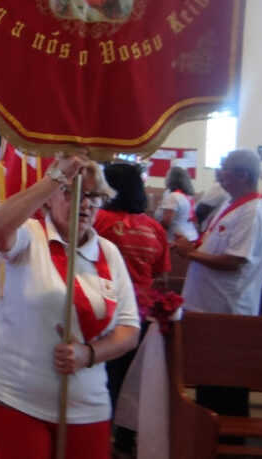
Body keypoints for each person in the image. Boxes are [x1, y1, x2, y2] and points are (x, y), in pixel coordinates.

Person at [0, 156, 140, 459]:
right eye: (72, 191)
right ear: (51, 197)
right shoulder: (29, 235)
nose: (85, 203)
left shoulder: (109, 253)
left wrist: (89, 354)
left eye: (94, 195)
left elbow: (129, 328)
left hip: (88, 405)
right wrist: (58, 175)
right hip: (19, 398)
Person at [175, 148, 262, 419]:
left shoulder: (253, 211)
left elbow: (235, 261)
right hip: (209, 307)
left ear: (242, 175)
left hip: (227, 311)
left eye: (224, 168)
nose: (219, 172)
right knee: (210, 385)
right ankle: (210, 438)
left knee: (226, 388)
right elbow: (215, 245)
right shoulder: (232, 204)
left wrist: (190, 254)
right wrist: (194, 245)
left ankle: (227, 444)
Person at [93, 161, 171, 456]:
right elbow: (162, 275)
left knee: (105, 377)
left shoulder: (97, 220)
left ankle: (99, 435)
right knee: (132, 380)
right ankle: (125, 440)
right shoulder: (154, 228)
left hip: (106, 310)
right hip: (142, 314)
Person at [155, 166, 198, 241]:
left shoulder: (173, 196)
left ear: (172, 179)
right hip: (190, 235)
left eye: (167, 175)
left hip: (175, 239)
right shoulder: (187, 196)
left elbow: (166, 223)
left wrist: (154, 232)